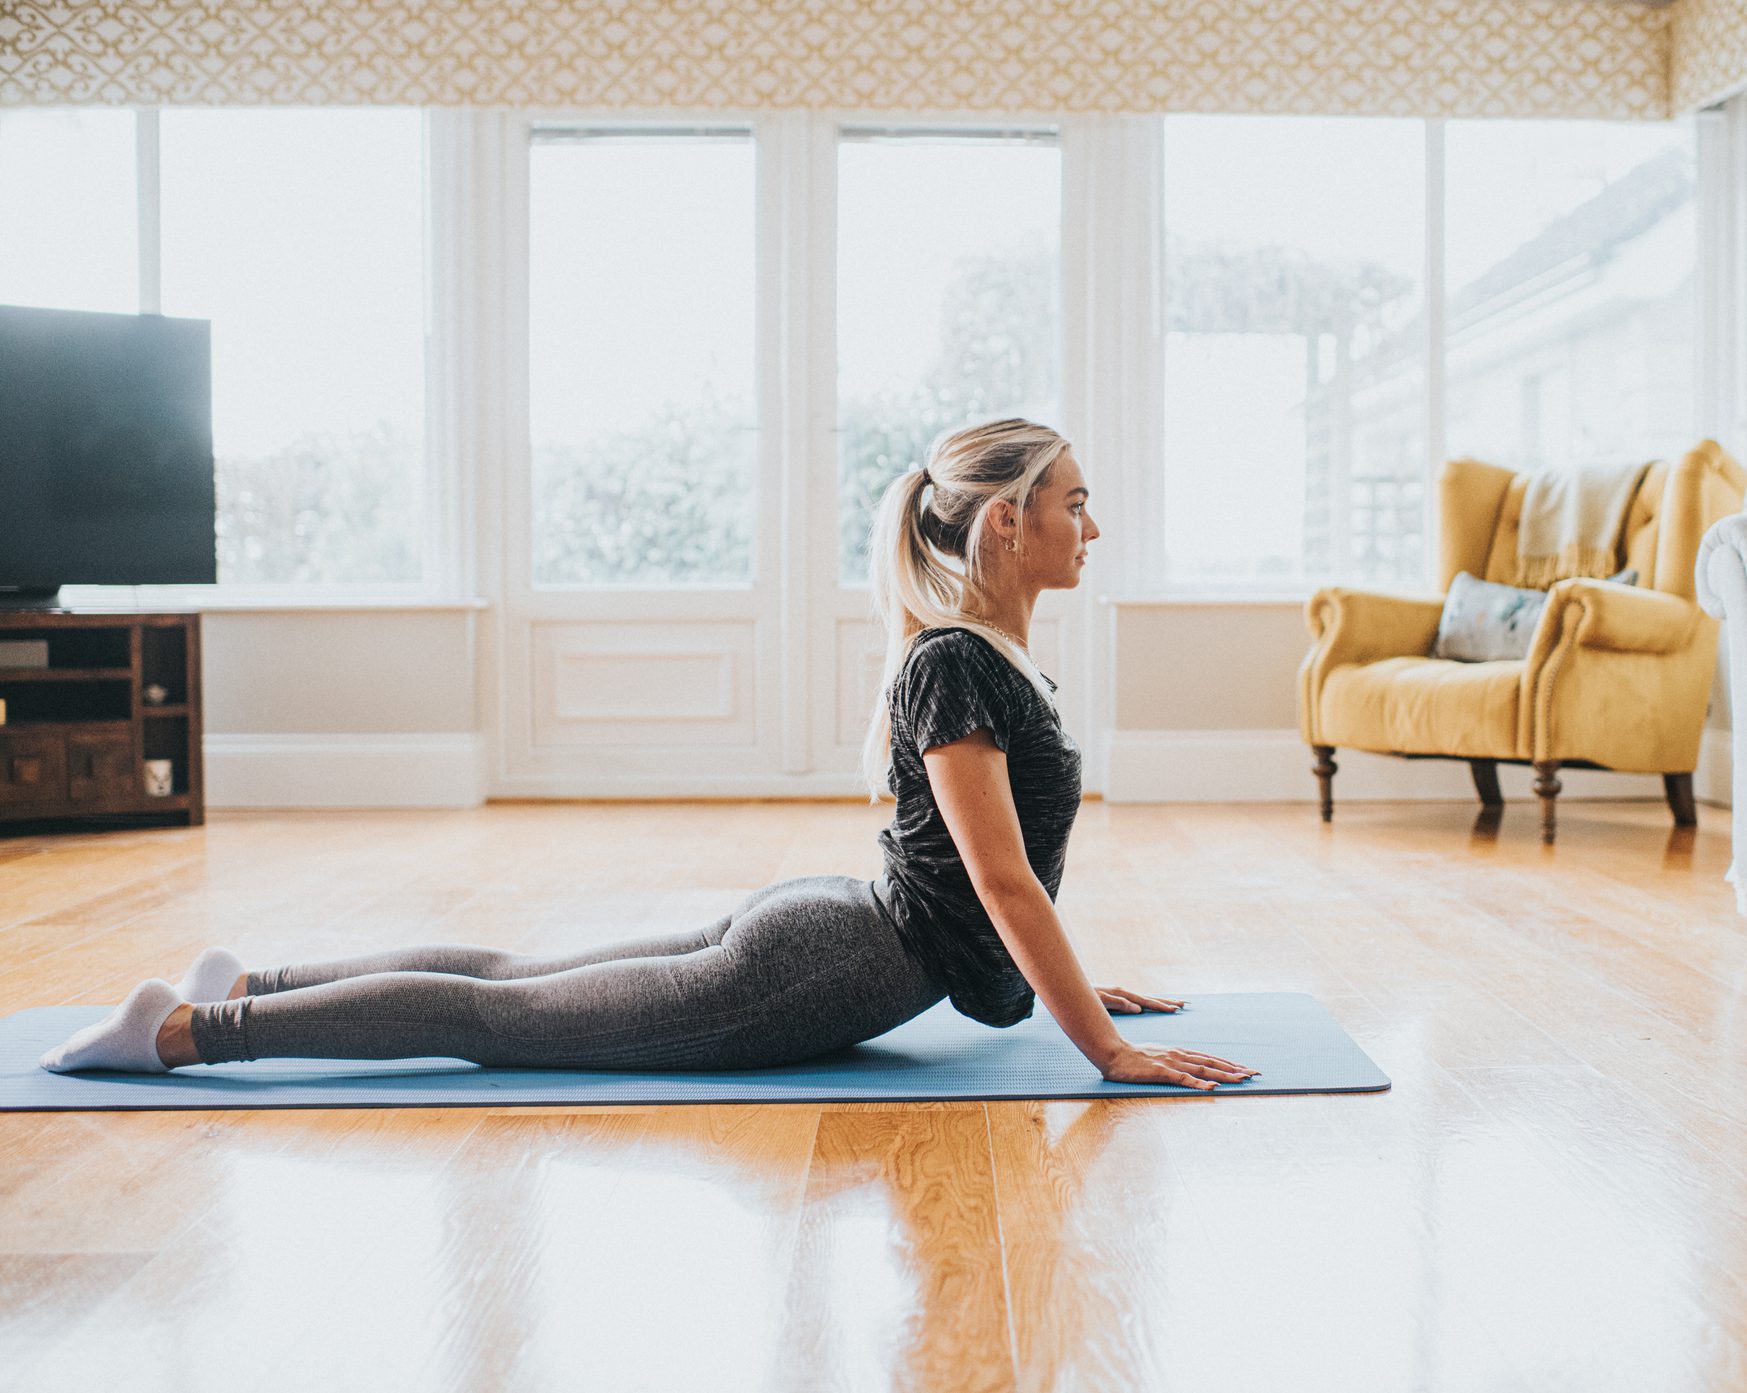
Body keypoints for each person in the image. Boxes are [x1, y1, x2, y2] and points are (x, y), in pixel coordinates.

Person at [40, 418, 1259, 1092]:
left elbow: (992, 877)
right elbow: (997, 882)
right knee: (500, 1019)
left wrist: (1075, 981)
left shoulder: (981, 655)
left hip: (836, 925)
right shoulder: (956, 663)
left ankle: (248, 981)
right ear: (1008, 519)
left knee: (514, 977)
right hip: (822, 964)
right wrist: (1102, 1049)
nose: (1091, 526)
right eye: (1075, 503)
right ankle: (183, 1033)